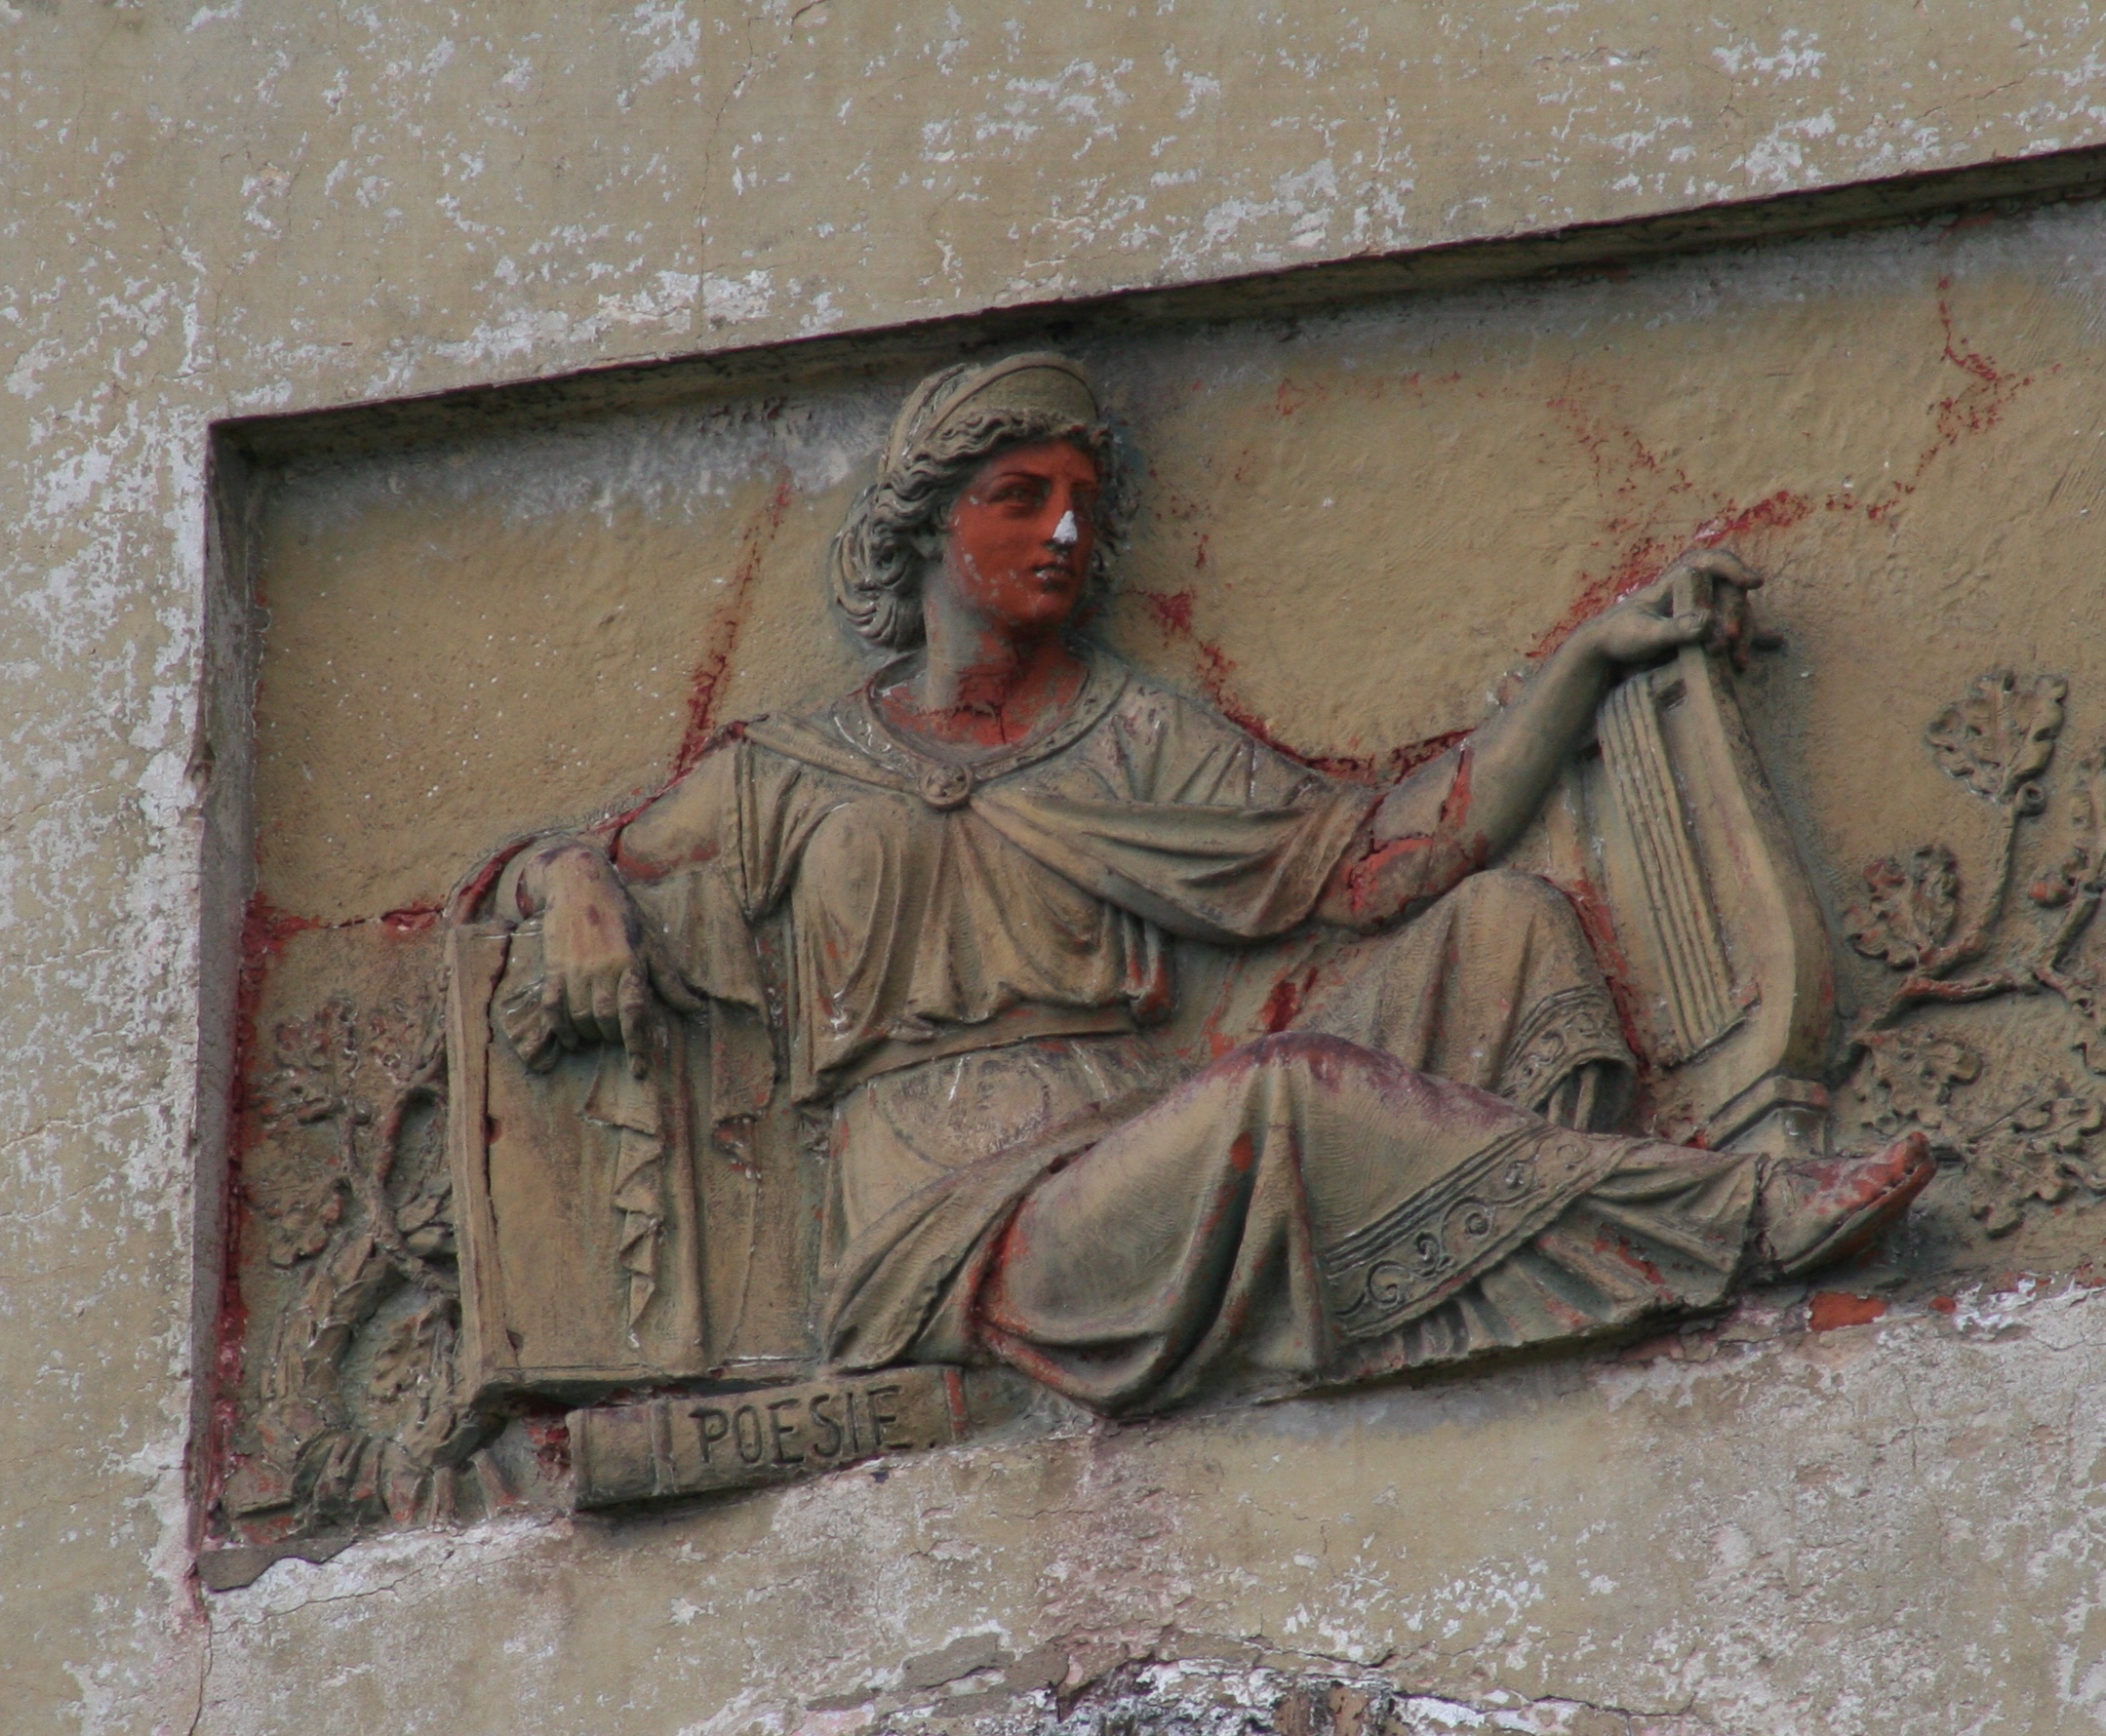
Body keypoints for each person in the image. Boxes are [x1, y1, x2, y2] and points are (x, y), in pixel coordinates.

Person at [500, 351, 1929, 1414]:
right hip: (959, 1233)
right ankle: (1730, 1218)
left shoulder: (1129, 737)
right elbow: (548, 874)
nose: (1064, 533)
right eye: (1018, 501)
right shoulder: (787, 772)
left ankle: (1502, 1262)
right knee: (1283, 1094)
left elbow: (1378, 864)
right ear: (926, 529)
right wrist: (568, 879)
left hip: (1133, 1145)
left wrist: (1583, 666)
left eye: (1080, 505)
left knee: (1497, 929)